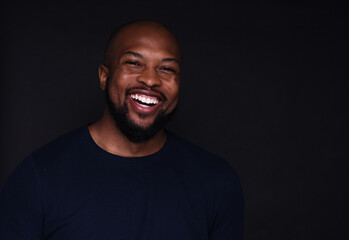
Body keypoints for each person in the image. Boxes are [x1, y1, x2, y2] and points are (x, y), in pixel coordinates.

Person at [0, 20, 244, 239]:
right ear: (104, 76)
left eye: (167, 69)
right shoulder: (38, 178)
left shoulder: (216, 182)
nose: (150, 80)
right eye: (134, 63)